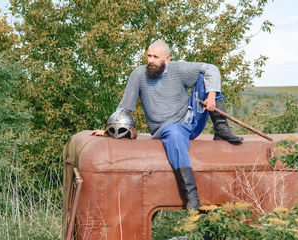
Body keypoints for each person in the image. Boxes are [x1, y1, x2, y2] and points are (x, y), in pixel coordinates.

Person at [91, 40, 243, 210]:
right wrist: (110, 130)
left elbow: (211, 69)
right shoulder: (139, 75)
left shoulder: (178, 69)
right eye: (149, 55)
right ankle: (191, 196)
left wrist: (212, 96)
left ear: (167, 59)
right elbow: (124, 108)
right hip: (166, 128)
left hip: (191, 120)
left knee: (204, 77)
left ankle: (221, 128)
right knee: (174, 132)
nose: (151, 60)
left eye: (156, 57)